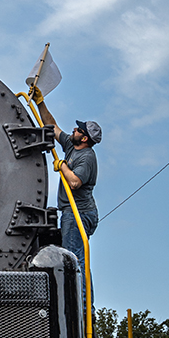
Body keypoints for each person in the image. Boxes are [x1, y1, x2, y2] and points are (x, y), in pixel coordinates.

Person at [31, 87, 101, 288]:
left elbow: (75, 182)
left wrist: (62, 165)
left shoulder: (87, 157)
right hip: (71, 211)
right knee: (75, 258)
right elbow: (52, 126)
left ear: (85, 138)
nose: (74, 130)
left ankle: (84, 308)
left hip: (79, 213)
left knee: (75, 260)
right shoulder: (71, 146)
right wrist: (40, 102)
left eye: (79, 130)